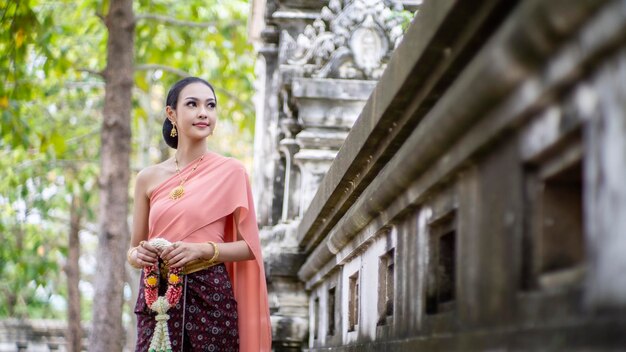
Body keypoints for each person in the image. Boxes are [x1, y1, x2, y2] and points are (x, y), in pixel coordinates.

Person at [126, 77, 272, 351]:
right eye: (192, 104)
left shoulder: (231, 172)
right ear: (171, 113)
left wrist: (202, 250)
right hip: (157, 296)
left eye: (210, 105)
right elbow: (134, 248)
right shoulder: (148, 178)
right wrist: (138, 255)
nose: (203, 112)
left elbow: (249, 247)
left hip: (210, 296)